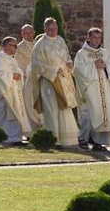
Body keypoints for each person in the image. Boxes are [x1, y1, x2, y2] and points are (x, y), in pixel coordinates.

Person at [30, 17, 80, 147]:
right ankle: (53, 139)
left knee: (64, 108)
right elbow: (37, 64)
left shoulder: (61, 40)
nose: (53, 31)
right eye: (50, 29)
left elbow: (66, 55)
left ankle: (67, 139)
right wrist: (53, 71)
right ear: (45, 29)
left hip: (63, 79)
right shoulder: (40, 44)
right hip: (49, 81)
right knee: (51, 109)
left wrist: (69, 62)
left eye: (55, 28)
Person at [74, 27, 110, 151]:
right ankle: (82, 138)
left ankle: (97, 141)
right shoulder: (81, 54)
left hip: (102, 88)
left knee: (101, 114)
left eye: (99, 38)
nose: (97, 40)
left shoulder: (104, 52)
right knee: (88, 115)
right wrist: (94, 66)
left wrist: (105, 67)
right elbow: (78, 71)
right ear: (89, 38)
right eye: (94, 37)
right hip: (89, 89)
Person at [14, 24, 42, 133]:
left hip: (40, 79)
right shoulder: (19, 48)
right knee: (29, 105)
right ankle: (30, 131)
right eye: (26, 33)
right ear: (22, 34)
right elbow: (19, 65)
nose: (29, 35)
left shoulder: (38, 44)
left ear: (34, 32)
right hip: (28, 80)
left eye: (30, 32)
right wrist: (31, 67)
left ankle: (42, 129)